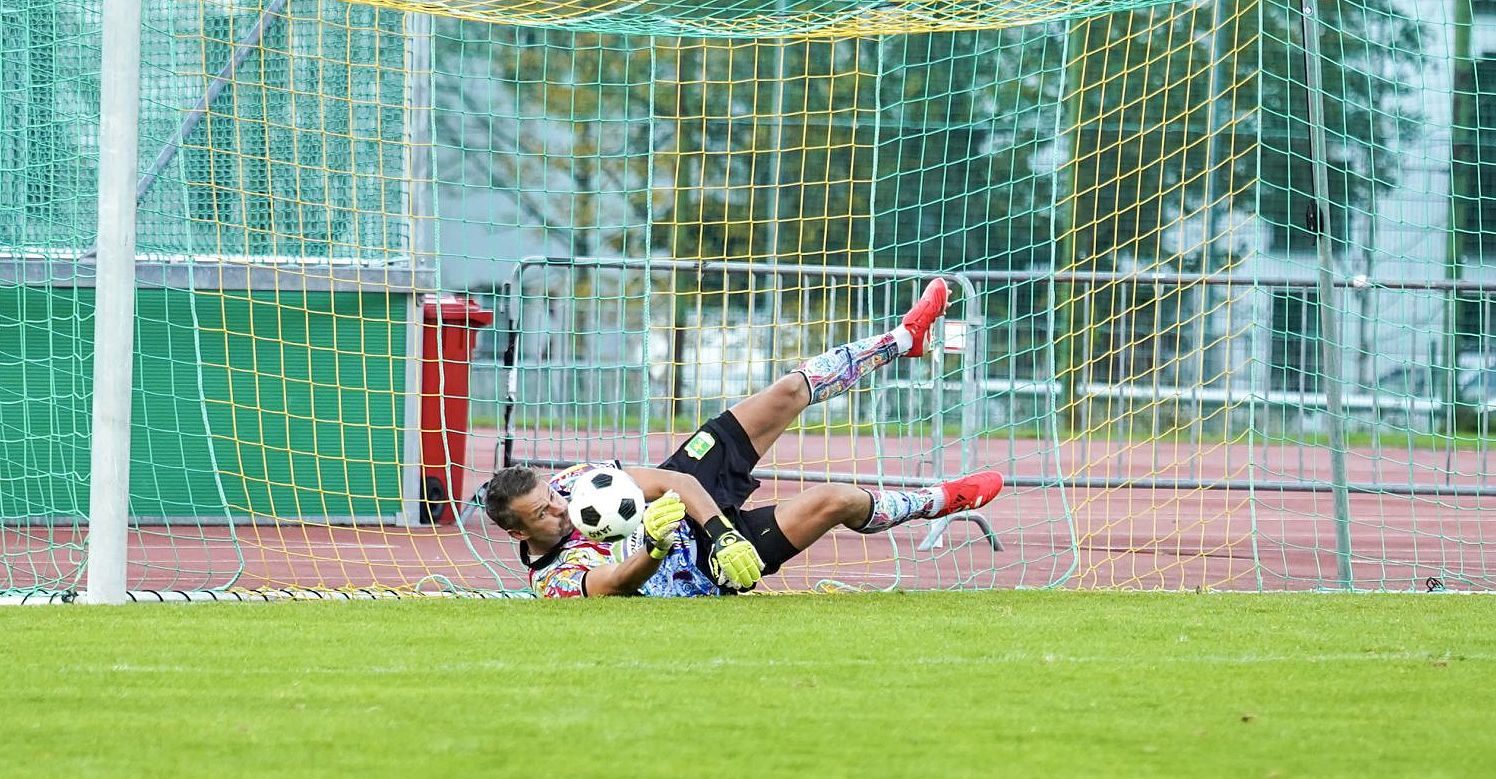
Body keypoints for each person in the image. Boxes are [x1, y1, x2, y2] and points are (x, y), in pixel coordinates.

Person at [483, 278, 1005, 598]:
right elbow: (615, 585)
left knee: (784, 392)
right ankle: (936, 501)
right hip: (702, 572)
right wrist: (663, 547)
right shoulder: (552, 579)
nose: (559, 509)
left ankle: (904, 338)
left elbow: (669, 480)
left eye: (551, 497)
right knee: (835, 500)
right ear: (518, 534)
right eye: (543, 515)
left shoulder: (578, 484)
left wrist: (716, 526)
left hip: (703, 516)